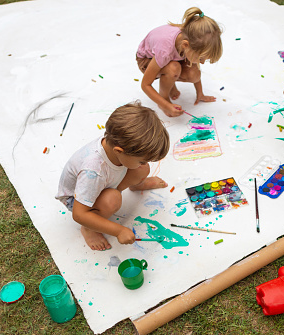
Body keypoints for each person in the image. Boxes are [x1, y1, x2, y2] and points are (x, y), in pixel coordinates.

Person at [55, 102, 170, 251]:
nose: (145, 163)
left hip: (105, 180)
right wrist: (119, 230)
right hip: (78, 201)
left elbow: (133, 164)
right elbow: (79, 214)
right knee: (112, 199)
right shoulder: (93, 171)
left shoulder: (117, 143)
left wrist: (139, 166)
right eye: (142, 159)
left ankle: (135, 185)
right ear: (119, 151)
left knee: (141, 169)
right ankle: (89, 229)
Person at [136, 7, 223, 117]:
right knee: (173, 68)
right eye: (201, 58)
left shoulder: (193, 38)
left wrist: (200, 93)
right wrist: (165, 104)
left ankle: (170, 84)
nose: (202, 63)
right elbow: (145, 85)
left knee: (194, 74)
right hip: (146, 60)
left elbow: (195, 70)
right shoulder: (164, 50)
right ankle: (164, 96)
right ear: (186, 45)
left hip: (171, 56)